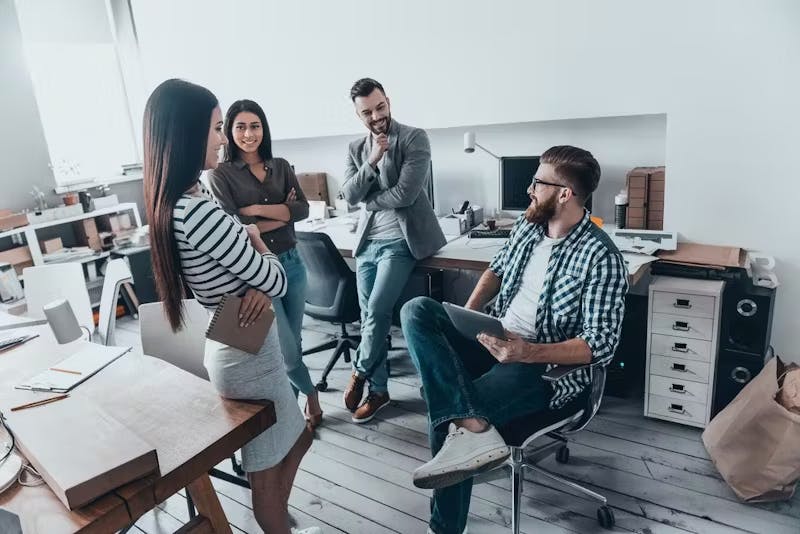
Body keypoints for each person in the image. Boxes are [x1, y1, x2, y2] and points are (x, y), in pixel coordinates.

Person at [401, 146, 628, 534]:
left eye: (538, 182)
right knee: (416, 309)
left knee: (449, 415)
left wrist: (527, 352)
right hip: (494, 339)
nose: (529, 188)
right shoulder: (528, 225)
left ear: (564, 194)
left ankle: (445, 527)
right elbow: (497, 270)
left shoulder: (600, 255)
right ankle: (470, 424)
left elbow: (601, 344)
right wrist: (466, 319)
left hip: (542, 368)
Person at [143, 79, 320, 534]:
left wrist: (256, 259)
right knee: (266, 471)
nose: (223, 139)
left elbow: (264, 278)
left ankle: (280, 516)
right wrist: (259, 246)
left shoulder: (180, 202)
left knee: (296, 438)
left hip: (237, 334)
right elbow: (275, 278)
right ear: (186, 135)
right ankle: (277, 521)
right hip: (243, 349)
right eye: (218, 128)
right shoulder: (197, 210)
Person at [208, 99, 323, 428]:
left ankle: (289, 409)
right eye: (240, 126)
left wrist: (254, 213)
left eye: (255, 126)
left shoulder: (281, 165)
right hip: (258, 273)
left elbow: (302, 210)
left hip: (293, 264)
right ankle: (312, 397)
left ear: (264, 129)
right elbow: (233, 224)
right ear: (229, 132)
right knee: (286, 351)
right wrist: (279, 213)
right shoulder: (221, 174)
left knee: (294, 342)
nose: (248, 134)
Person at [340, 78, 446, 423]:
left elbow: (405, 195)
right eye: (367, 112)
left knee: (377, 309)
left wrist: (368, 200)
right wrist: (372, 159)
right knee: (370, 316)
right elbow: (349, 195)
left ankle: (358, 373)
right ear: (358, 114)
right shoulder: (357, 148)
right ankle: (379, 391)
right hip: (367, 244)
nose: (376, 116)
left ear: (388, 101)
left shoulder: (414, 137)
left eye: (380, 107)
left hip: (402, 242)